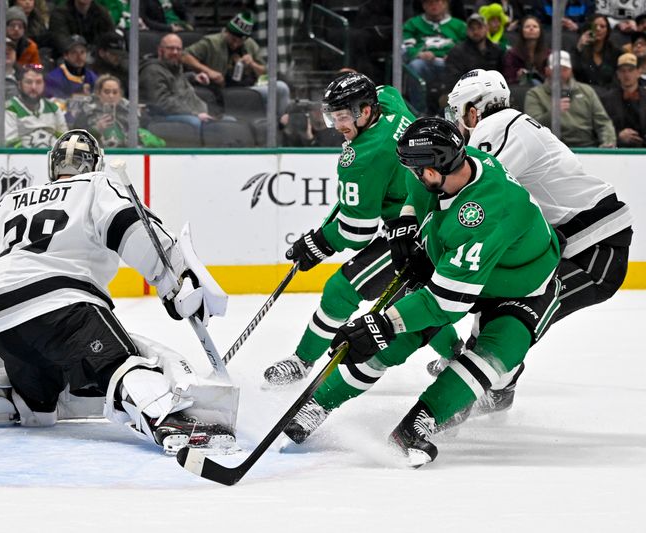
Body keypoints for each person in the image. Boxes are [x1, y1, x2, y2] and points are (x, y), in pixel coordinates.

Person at [284, 117, 562, 467]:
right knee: (397, 338)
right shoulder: (457, 163)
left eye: (419, 171)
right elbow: (412, 183)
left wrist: (381, 325)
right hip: (464, 261)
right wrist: (406, 221)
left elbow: (446, 304)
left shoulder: (486, 214)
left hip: (523, 285)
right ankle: (316, 403)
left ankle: (419, 422)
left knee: (498, 351)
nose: (413, 176)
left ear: (434, 170)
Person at [0, 130, 235, 454]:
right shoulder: (96, 185)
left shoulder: (12, 202)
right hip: (63, 307)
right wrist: (174, 284)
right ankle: (167, 417)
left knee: (38, 404)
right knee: (122, 362)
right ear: (96, 163)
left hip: (1, 324)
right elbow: (131, 226)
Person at [424, 68, 633, 419]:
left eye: (458, 111)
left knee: (516, 313)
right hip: (583, 241)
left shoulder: (498, 127)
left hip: (595, 249)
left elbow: (473, 195)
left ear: (474, 110)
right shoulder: (509, 124)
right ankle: (493, 380)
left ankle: (485, 380)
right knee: (499, 303)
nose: (457, 121)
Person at [262, 72, 462, 388]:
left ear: (365, 111)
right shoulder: (388, 100)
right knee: (410, 297)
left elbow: (357, 231)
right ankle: (457, 355)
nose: (338, 125)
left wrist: (320, 242)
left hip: (415, 228)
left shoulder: (362, 157)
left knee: (341, 290)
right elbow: (383, 88)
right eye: (332, 116)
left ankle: (302, 361)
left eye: (342, 117)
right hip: (442, 211)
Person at [182, 11, 291, 115]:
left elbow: (264, 73)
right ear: (226, 32)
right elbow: (184, 56)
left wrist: (253, 64)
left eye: (240, 41)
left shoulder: (250, 45)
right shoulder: (211, 42)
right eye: (233, 39)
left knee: (281, 88)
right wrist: (208, 71)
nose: (235, 44)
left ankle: (280, 123)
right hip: (221, 88)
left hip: (248, 87)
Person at [524, 50, 616, 148]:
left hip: (586, 147)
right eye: (556, 69)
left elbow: (603, 122)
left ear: (571, 71)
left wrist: (608, 142)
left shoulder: (586, 91)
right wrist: (552, 114)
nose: (560, 73)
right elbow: (531, 128)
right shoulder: (535, 94)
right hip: (551, 148)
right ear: (547, 70)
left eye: (565, 69)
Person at [402, 0, 467, 114]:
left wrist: (455, 56)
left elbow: (468, 47)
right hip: (425, 64)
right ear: (423, 5)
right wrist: (418, 54)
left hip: (450, 64)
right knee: (415, 66)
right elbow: (405, 47)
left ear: (446, 4)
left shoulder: (460, 25)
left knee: (463, 68)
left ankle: (455, 112)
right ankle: (419, 113)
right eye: (429, 2)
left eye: (437, 2)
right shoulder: (413, 24)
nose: (434, 5)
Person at [140, 33, 212, 132]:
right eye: (171, 48)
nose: (175, 52)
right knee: (196, 123)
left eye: (178, 49)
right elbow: (162, 102)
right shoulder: (152, 70)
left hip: (192, 112)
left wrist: (193, 77)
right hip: (161, 117)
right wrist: (194, 113)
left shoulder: (174, 67)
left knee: (228, 122)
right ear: (160, 50)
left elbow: (173, 82)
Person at [0, 64, 67, 147]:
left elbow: (65, 141)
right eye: (28, 82)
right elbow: (10, 147)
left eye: (38, 82)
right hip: (21, 159)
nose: (34, 87)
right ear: (19, 85)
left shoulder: (53, 108)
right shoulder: (8, 109)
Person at [445, 13, 503, 88]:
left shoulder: (496, 50)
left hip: (492, 92)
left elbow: (502, 76)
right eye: (472, 28)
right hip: (464, 92)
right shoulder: (457, 52)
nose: (476, 32)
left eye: (479, 27)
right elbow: (453, 79)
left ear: (486, 28)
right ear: (467, 31)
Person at [602, 53, 646, 147]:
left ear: (638, 72)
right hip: (619, 149)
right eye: (622, 71)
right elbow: (602, 126)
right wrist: (619, 136)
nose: (626, 74)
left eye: (630, 70)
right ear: (618, 74)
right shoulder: (608, 99)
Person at [49, 0, 115, 60]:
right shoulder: (59, 13)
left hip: (97, 58)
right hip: (68, 59)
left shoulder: (102, 13)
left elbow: (111, 39)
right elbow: (62, 42)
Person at [571, 13, 620, 89]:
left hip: (608, 94)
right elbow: (574, 72)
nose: (598, 29)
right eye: (594, 26)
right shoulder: (578, 50)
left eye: (602, 26)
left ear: (607, 31)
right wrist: (579, 48)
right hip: (585, 92)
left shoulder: (615, 52)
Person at [45, 34, 98, 102]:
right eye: (74, 52)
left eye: (82, 52)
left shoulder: (91, 76)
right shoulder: (53, 78)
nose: (79, 57)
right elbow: (56, 104)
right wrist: (77, 95)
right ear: (65, 56)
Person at [502, 14, 550, 85]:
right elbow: (508, 78)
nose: (531, 28)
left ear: (540, 31)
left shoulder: (548, 54)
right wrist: (517, 77)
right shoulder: (512, 54)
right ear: (522, 31)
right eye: (527, 27)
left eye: (535, 26)